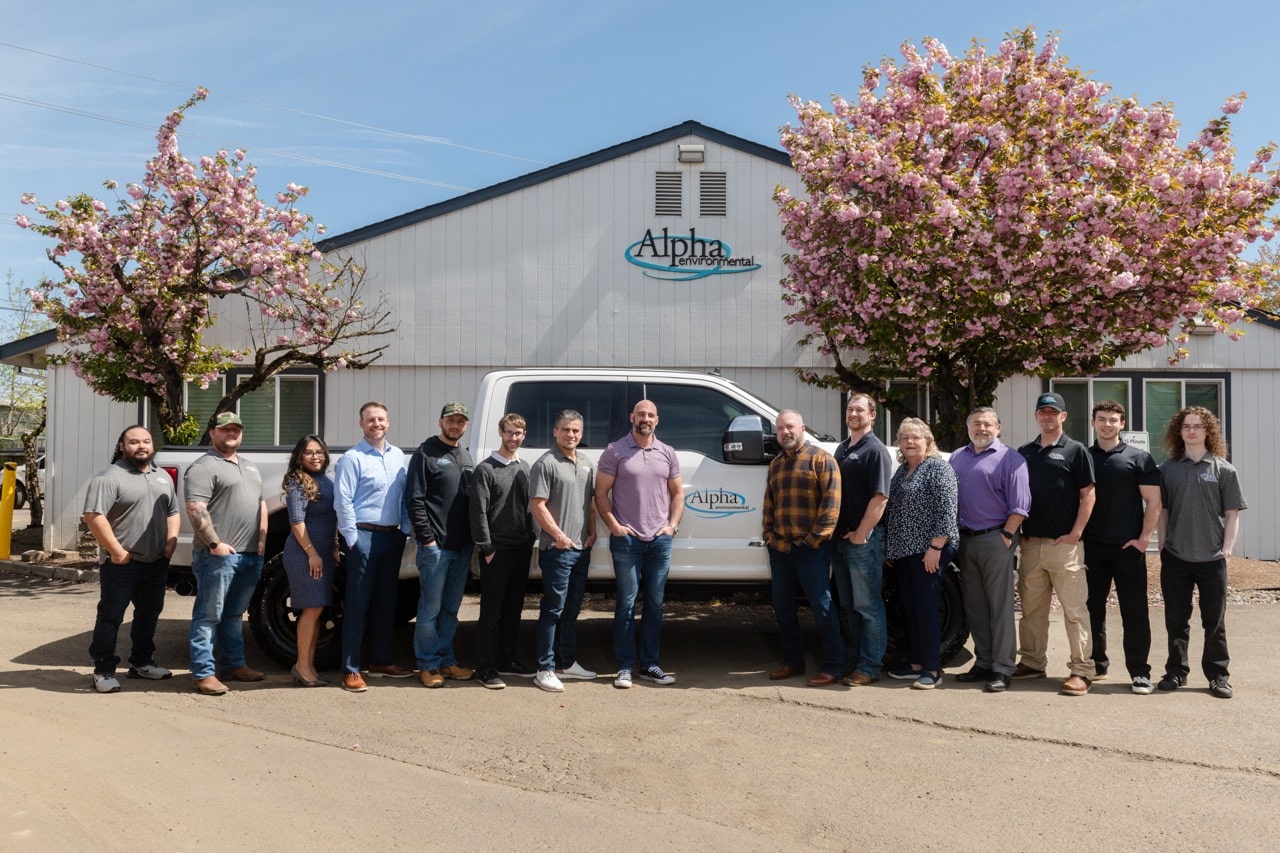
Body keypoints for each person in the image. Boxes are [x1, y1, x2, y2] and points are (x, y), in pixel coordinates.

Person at [1156, 407, 1246, 699]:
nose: (1192, 431)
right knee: (1176, 620)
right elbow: (1162, 511)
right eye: (1186, 426)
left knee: (1214, 622)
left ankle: (1218, 676)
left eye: (1197, 426)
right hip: (1176, 556)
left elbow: (1232, 513)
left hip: (1212, 559)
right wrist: (1162, 544)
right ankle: (1176, 672)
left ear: (1208, 431)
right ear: (1179, 431)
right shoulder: (1167, 469)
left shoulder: (1223, 469)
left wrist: (1227, 549)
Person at [83, 425, 179, 693]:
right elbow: (93, 516)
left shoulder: (162, 476)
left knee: (149, 614)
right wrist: (116, 551)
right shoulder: (109, 477)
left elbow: (172, 511)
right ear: (122, 446)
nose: (142, 446)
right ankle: (103, 670)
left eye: (146, 441)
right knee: (111, 617)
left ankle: (142, 663)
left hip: (156, 561)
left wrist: (171, 541)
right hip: (121, 564)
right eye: (134, 442)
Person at [595, 400, 684, 690]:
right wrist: (614, 527)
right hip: (627, 541)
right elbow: (600, 493)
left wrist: (671, 526)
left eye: (650, 415)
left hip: (660, 540)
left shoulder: (667, 452)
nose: (645, 418)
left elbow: (678, 493)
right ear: (631, 417)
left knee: (655, 604)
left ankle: (649, 665)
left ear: (657, 419)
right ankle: (624, 667)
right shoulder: (615, 450)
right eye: (641, 414)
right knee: (626, 603)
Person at [1016, 392, 1096, 696]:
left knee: (1074, 610)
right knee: (1031, 610)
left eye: (1053, 412)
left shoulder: (1076, 450)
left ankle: (1082, 670)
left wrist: (1076, 533)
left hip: (1065, 545)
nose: (1047, 416)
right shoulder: (1025, 452)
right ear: (1036, 416)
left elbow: (1088, 494)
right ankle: (1032, 662)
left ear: (1063, 416)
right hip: (1031, 543)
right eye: (1043, 412)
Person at [185, 411, 268, 695]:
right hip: (217, 557)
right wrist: (214, 544)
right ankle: (203, 673)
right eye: (225, 429)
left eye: (236, 429)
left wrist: (262, 541)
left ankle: (234, 665)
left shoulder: (250, 466)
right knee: (208, 615)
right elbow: (195, 508)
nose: (231, 433)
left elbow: (260, 504)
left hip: (250, 555)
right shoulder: (203, 467)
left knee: (234, 615)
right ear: (212, 433)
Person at [949, 407, 1030, 693]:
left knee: (1000, 607)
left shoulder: (1011, 459)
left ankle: (1003, 668)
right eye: (976, 424)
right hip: (965, 540)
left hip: (996, 538)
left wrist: (1006, 535)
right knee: (975, 606)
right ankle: (983, 662)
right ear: (968, 427)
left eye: (987, 424)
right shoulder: (957, 457)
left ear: (998, 428)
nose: (981, 429)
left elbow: (1020, 505)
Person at [334, 401, 413, 693]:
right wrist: (352, 538)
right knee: (357, 604)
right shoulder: (352, 458)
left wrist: (405, 529)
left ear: (388, 423)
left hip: (392, 536)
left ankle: (381, 661)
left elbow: (404, 496)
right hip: (363, 536)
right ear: (361, 424)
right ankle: (351, 669)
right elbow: (343, 499)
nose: (376, 424)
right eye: (370, 420)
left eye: (380, 419)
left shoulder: (398, 456)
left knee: (386, 602)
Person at [762, 409, 845, 687]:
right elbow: (769, 504)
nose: (785, 432)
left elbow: (831, 506)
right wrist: (769, 536)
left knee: (822, 607)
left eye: (790, 427)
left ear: (802, 428)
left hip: (812, 548)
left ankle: (833, 666)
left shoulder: (822, 459)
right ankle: (793, 662)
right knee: (783, 608)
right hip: (781, 549)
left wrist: (812, 541)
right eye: (780, 428)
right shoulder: (776, 464)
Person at [1084, 401, 1161, 695]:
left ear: (1122, 424)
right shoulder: (1084, 457)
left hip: (1128, 548)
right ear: (1093, 422)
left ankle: (1140, 672)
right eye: (1102, 419)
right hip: (1092, 548)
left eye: (1113, 420)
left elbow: (1154, 501)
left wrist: (1143, 540)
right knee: (1092, 610)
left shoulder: (1138, 458)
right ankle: (1096, 664)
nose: (1107, 424)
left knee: (1135, 612)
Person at [883, 418, 959, 690]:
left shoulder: (938, 468)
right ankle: (916, 663)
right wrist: (891, 548)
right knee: (911, 607)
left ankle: (932, 669)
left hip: (930, 549)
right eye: (904, 438)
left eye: (915, 437)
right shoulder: (903, 470)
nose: (910, 442)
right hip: (904, 550)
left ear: (927, 441)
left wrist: (936, 548)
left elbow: (947, 510)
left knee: (926, 609)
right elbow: (893, 511)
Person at [406, 402, 477, 688]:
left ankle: (447, 661)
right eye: (450, 420)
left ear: (465, 425)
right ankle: (427, 664)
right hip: (437, 548)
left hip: (462, 547)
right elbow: (415, 499)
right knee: (430, 609)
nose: (455, 425)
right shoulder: (426, 453)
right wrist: (428, 539)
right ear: (440, 422)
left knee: (451, 609)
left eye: (460, 421)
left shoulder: (465, 456)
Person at [530, 409, 598, 693]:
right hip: (557, 549)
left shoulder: (586, 463)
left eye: (576, 431)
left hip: (581, 549)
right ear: (555, 431)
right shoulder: (546, 463)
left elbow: (589, 502)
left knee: (571, 609)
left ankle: (566, 663)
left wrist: (592, 530)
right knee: (553, 609)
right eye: (566, 430)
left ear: (581, 434)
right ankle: (544, 668)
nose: (571, 435)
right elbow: (538, 505)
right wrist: (558, 536)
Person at [470, 413, 538, 689]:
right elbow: (478, 511)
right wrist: (486, 547)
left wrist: (530, 537)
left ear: (524, 435)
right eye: (509, 432)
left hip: (521, 548)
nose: (513, 437)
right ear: (500, 433)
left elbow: (530, 507)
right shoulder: (486, 469)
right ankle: (485, 667)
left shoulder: (525, 468)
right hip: (496, 550)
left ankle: (507, 659)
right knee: (491, 613)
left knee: (514, 610)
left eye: (518, 433)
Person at [831, 393, 892, 686]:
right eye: (849, 409)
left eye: (859, 410)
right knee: (850, 606)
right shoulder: (843, 448)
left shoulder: (875, 451)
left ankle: (870, 666)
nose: (853, 414)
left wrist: (860, 533)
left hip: (862, 541)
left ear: (872, 415)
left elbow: (880, 498)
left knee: (867, 606)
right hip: (841, 540)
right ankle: (854, 658)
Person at [281, 435, 338, 688]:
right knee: (311, 610)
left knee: (316, 610)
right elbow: (296, 522)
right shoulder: (298, 482)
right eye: (309, 452)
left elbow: (332, 518)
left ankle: (308, 665)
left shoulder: (326, 481)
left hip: (322, 554)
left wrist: (333, 547)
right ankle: (302, 666)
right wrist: (312, 553)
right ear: (299, 457)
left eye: (319, 452)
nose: (315, 456)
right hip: (304, 555)